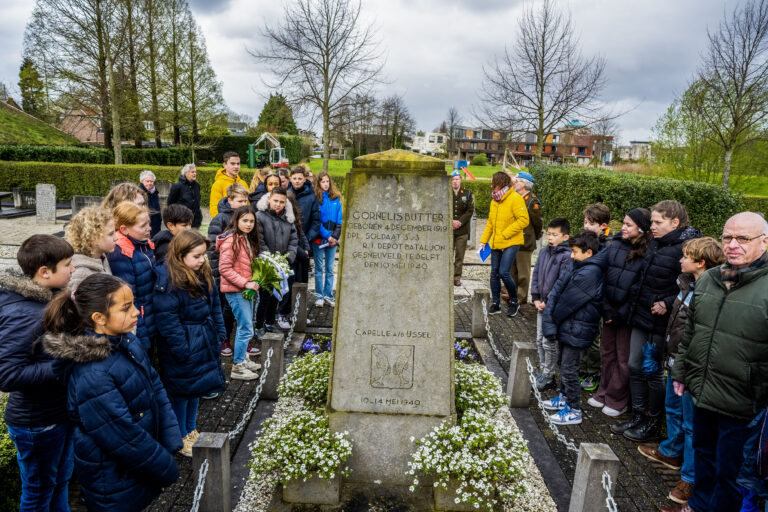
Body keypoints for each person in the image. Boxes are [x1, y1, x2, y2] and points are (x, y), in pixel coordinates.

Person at [42, 274, 181, 512]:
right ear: (99, 318)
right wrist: (164, 466)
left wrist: (169, 437)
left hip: (136, 467)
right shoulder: (92, 375)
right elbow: (121, 435)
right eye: (126, 308)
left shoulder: (126, 340)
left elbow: (154, 384)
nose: (137, 312)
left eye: (134, 304)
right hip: (113, 477)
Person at [662, 213, 768, 512]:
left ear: (765, 242)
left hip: (744, 403)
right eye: (727, 237)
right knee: (704, 456)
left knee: (731, 473)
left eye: (743, 238)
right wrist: (681, 372)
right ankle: (696, 505)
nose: (733, 245)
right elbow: (692, 332)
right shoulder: (709, 279)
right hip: (702, 392)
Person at [638, 237, 724, 507]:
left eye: (686, 256)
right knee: (672, 408)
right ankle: (671, 452)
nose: (680, 260)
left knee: (691, 423)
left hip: (691, 367)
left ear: (701, 263)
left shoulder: (709, 291)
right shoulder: (684, 284)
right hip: (674, 358)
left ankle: (689, 476)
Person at [613, 200, 701, 442]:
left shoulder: (687, 248)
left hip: (662, 322)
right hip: (642, 314)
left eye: (657, 222)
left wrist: (667, 302)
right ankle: (638, 414)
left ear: (675, 223)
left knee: (652, 372)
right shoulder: (656, 242)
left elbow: (692, 285)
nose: (652, 226)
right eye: (651, 221)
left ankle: (652, 421)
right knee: (634, 365)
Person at [0, 235, 75, 511]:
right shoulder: (25, 314)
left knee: (59, 482)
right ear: (44, 272)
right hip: (38, 423)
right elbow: (8, 375)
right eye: (67, 264)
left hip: (57, 414)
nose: (73, 269)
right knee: (38, 494)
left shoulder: (49, 299)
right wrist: (64, 362)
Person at [153, 231, 228, 457]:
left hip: (203, 338)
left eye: (203, 255)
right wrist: (182, 349)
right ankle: (180, 435)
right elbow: (168, 320)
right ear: (180, 255)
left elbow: (214, 306)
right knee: (181, 393)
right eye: (196, 256)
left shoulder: (203, 274)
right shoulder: (168, 281)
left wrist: (219, 333)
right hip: (185, 343)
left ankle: (191, 428)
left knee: (197, 388)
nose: (202, 260)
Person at [587, 208, 652, 417]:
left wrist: (622, 312)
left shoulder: (648, 251)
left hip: (627, 315)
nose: (623, 228)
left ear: (642, 228)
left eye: (628, 225)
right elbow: (605, 276)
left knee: (623, 357)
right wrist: (606, 308)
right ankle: (603, 391)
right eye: (623, 223)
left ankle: (617, 398)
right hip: (609, 311)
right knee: (607, 353)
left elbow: (639, 288)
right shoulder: (615, 245)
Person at [541, 230, 604, 426]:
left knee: (570, 369)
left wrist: (551, 320)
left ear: (589, 253)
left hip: (579, 327)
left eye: (575, 252)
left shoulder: (591, 272)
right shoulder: (578, 264)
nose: (571, 255)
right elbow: (558, 289)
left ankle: (574, 408)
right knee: (563, 363)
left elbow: (566, 301)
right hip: (570, 326)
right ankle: (563, 396)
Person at [216, 206, 261, 381]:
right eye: (245, 221)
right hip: (236, 291)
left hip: (245, 290)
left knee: (247, 326)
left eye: (251, 221)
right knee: (245, 328)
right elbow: (224, 269)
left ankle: (244, 358)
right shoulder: (231, 241)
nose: (249, 224)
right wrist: (245, 282)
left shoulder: (245, 238)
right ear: (236, 220)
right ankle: (238, 366)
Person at [107, 201, 158, 352]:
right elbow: (129, 297)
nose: (149, 228)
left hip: (150, 313)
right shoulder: (121, 253)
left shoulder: (143, 244)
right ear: (124, 229)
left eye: (148, 224)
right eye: (143, 226)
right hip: (140, 318)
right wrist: (141, 335)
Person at [478, 171, 529, 317]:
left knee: (504, 273)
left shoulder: (515, 198)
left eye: (492, 181)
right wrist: (483, 241)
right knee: (494, 273)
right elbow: (490, 223)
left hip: (511, 242)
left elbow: (523, 220)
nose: (490, 184)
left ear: (500, 183)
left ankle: (514, 301)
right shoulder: (494, 200)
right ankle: (496, 304)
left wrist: (506, 233)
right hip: (496, 243)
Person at [208, 184, 249, 355]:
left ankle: (243, 338)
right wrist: (218, 272)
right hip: (225, 273)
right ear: (229, 200)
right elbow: (213, 248)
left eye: (245, 200)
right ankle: (224, 339)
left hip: (243, 271)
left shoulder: (247, 217)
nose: (243, 203)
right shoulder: (220, 219)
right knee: (226, 309)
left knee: (241, 308)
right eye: (240, 201)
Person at [531, 218, 572, 391]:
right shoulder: (543, 252)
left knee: (548, 342)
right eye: (549, 234)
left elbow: (561, 282)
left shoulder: (566, 256)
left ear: (565, 237)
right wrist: (535, 297)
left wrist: (548, 302)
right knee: (539, 340)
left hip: (552, 307)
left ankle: (549, 375)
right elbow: (536, 274)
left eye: (555, 235)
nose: (550, 238)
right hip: (541, 303)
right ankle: (543, 370)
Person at [578, 202, 613, 392]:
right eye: (585, 222)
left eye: (591, 223)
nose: (586, 227)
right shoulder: (584, 241)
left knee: (595, 339)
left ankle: (593, 372)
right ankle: (582, 368)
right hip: (585, 296)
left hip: (599, 298)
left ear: (603, 226)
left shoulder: (609, 245)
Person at [254, 187, 299, 334]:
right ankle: (258, 325)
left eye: (281, 202)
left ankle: (269, 323)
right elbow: (259, 240)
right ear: (269, 199)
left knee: (276, 297)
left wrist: (287, 258)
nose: (278, 204)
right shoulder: (260, 216)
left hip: (282, 264)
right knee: (264, 298)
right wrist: (272, 261)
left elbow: (293, 240)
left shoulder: (288, 218)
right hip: (265, 265)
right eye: (275, 201)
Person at [276, 190, 310, 329]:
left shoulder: (294, 216)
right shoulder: (280, 219)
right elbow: (287, 241)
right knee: (287, 288)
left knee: (300, 285)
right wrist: (301, 252)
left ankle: (296, 313)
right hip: (290, 256)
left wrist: (307, 247)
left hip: (300, 257)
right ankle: (282, 314)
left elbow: (301, 234)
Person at [288, 166, 322, 304]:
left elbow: (316, 220)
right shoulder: (286, 194)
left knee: (302, 279)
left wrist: (307, 238)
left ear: (304, 179)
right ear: (290, 178)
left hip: (305, 243)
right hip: (289, 244)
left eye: (299, 179)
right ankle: (285, 312)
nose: (297, 181)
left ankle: (300, 311)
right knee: (289, 278)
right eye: (294, 178)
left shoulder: (311, 196)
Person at [66, 205, 117, 291]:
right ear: (93, 238)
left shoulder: (101, 257)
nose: (116, 238)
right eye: (111, 234)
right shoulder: (81, 276)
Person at [510, 171, 542, 304]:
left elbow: (537, 222)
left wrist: (533, 236)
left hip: (525, 240)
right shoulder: (515, 197)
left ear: (524, 184)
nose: (515, 183)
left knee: (523, 271)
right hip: (513, 238)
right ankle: (512, 292)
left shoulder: (532, 201)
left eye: (517, 181)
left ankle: (521, 296)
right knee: (512, 269)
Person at [313, 171, 342, 306]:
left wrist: (335, 236)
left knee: (330, 268)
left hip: (333, 237)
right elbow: (316, 221)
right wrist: (327, 236)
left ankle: (328, 295)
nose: (325, 184)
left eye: (327, 181)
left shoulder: (335, 198)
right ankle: (319, 295)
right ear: (318, 183)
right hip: (320, 236)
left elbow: (339, 220)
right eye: (323, 181)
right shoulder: (316, 199)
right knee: (319, 268)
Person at [451, 169, 474, 287]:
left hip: (462, 230)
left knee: (459, 255)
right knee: (448, 255)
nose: (455, 182)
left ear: (460, 180)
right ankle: (446, 276)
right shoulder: (445, 192)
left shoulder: (467, 193)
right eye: (453, 179)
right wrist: (450, 221)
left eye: (457, 179)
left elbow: (470, 210)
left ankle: (456, 277)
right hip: (448, 230)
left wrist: (459, 222)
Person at [209, 152, 248, 217]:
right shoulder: (218, 184)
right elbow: (214, 208)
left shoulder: (243, 183)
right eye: (232, 164)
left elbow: (248, 205)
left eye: (238, 164)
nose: (236, 166)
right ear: (224, 165)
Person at [167, 164, 202, 228]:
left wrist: (199, 217)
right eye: (192, 172)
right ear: (186, 173)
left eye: (195, 172)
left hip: (195, 221)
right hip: (182, 220)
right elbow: (170, 204)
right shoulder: (177, 186)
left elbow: (198, 202)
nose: (195, 174)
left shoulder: (197, 185)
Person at [139, 170, 162, 237]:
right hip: (145, 225)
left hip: (156, 225)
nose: (149, 183)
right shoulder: (139, 193)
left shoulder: (155, 193)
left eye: (151, 181)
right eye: (147, 181)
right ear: (142, 181)